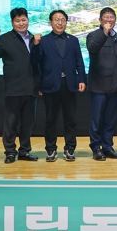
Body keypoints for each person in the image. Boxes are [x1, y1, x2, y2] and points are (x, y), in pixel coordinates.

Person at [0, 7, 40, 164]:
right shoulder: (4, 39)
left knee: (28, 123)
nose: (21, 23)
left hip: (31, 87)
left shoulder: (34, 38)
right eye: (17, 21)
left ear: (28, 20)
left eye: (24, 20)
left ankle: (24, 151)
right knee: (11, 122)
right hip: (13, 87)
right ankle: (10, 152)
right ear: (12, 22)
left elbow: (39, 62)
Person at [34, 9, 86, 162]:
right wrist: (39, 85)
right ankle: (51, 149)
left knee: (70, 119)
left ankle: (70, 149)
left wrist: (82, 79)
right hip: (50, 85)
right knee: (50, 119)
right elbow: (37, 64)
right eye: (56, 20)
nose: (60, 22)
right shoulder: (43, 41)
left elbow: (79, 62)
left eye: (63, 20)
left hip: (69, 84)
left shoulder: (73, 40)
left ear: (66, 22)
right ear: (50, 22)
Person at [86, 7, 117, 161]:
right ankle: (96, 148)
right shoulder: (93, 35)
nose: (109, 20)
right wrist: (104, 32)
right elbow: (93, 48)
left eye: (112, 17)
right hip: (98, 86)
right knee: (96, 120)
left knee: (110, 120)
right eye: (106, 17)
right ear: (100, 20)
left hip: (115, 86)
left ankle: (107, 147)